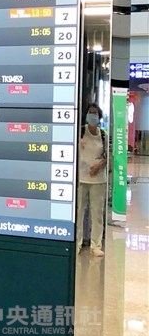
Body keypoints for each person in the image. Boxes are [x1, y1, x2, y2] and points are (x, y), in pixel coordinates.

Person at [77, 103, 107, 257]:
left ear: (99, 116)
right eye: (90, 112)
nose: (92, 116)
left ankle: (96, 245)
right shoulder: (80, 131)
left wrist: (99, 165)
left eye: (95, 113)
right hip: (81, 179)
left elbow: (108, 156)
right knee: (79, 212)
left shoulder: (103, 135)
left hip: (98, 180)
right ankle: (78, 243)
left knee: (97, 214)